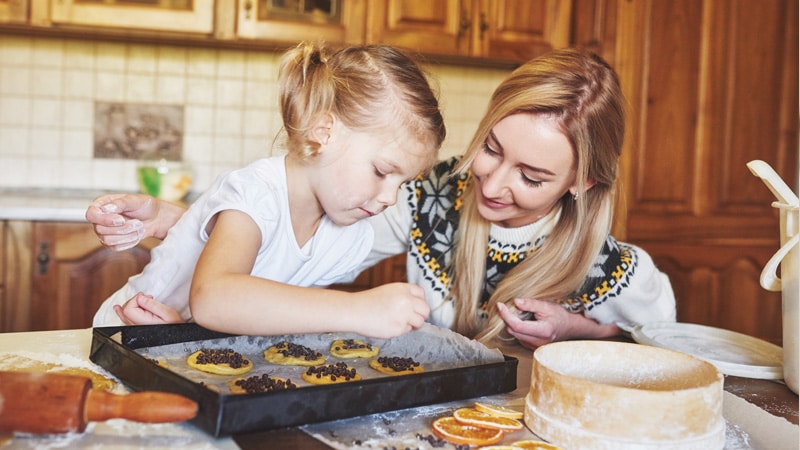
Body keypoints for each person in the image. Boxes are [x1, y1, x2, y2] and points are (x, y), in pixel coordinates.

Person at [87, 48, 675, 350]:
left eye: (532, 177)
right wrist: (184, 224)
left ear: (582, 183)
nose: (492, 186)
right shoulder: (417, 198)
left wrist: (583, 331)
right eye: (491, 148)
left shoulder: (617, 271)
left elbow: (670, 355)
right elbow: (269, 249)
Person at [89, 42, 446, 340]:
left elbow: (276, 314)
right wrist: (358, 308)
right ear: (325, 132)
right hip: (126, 334)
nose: (390, 198)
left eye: (404, 183)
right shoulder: (256, 192)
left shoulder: (349, 238)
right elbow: (214, 297)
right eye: (382, 171)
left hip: (191, 348)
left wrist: (187, 337)